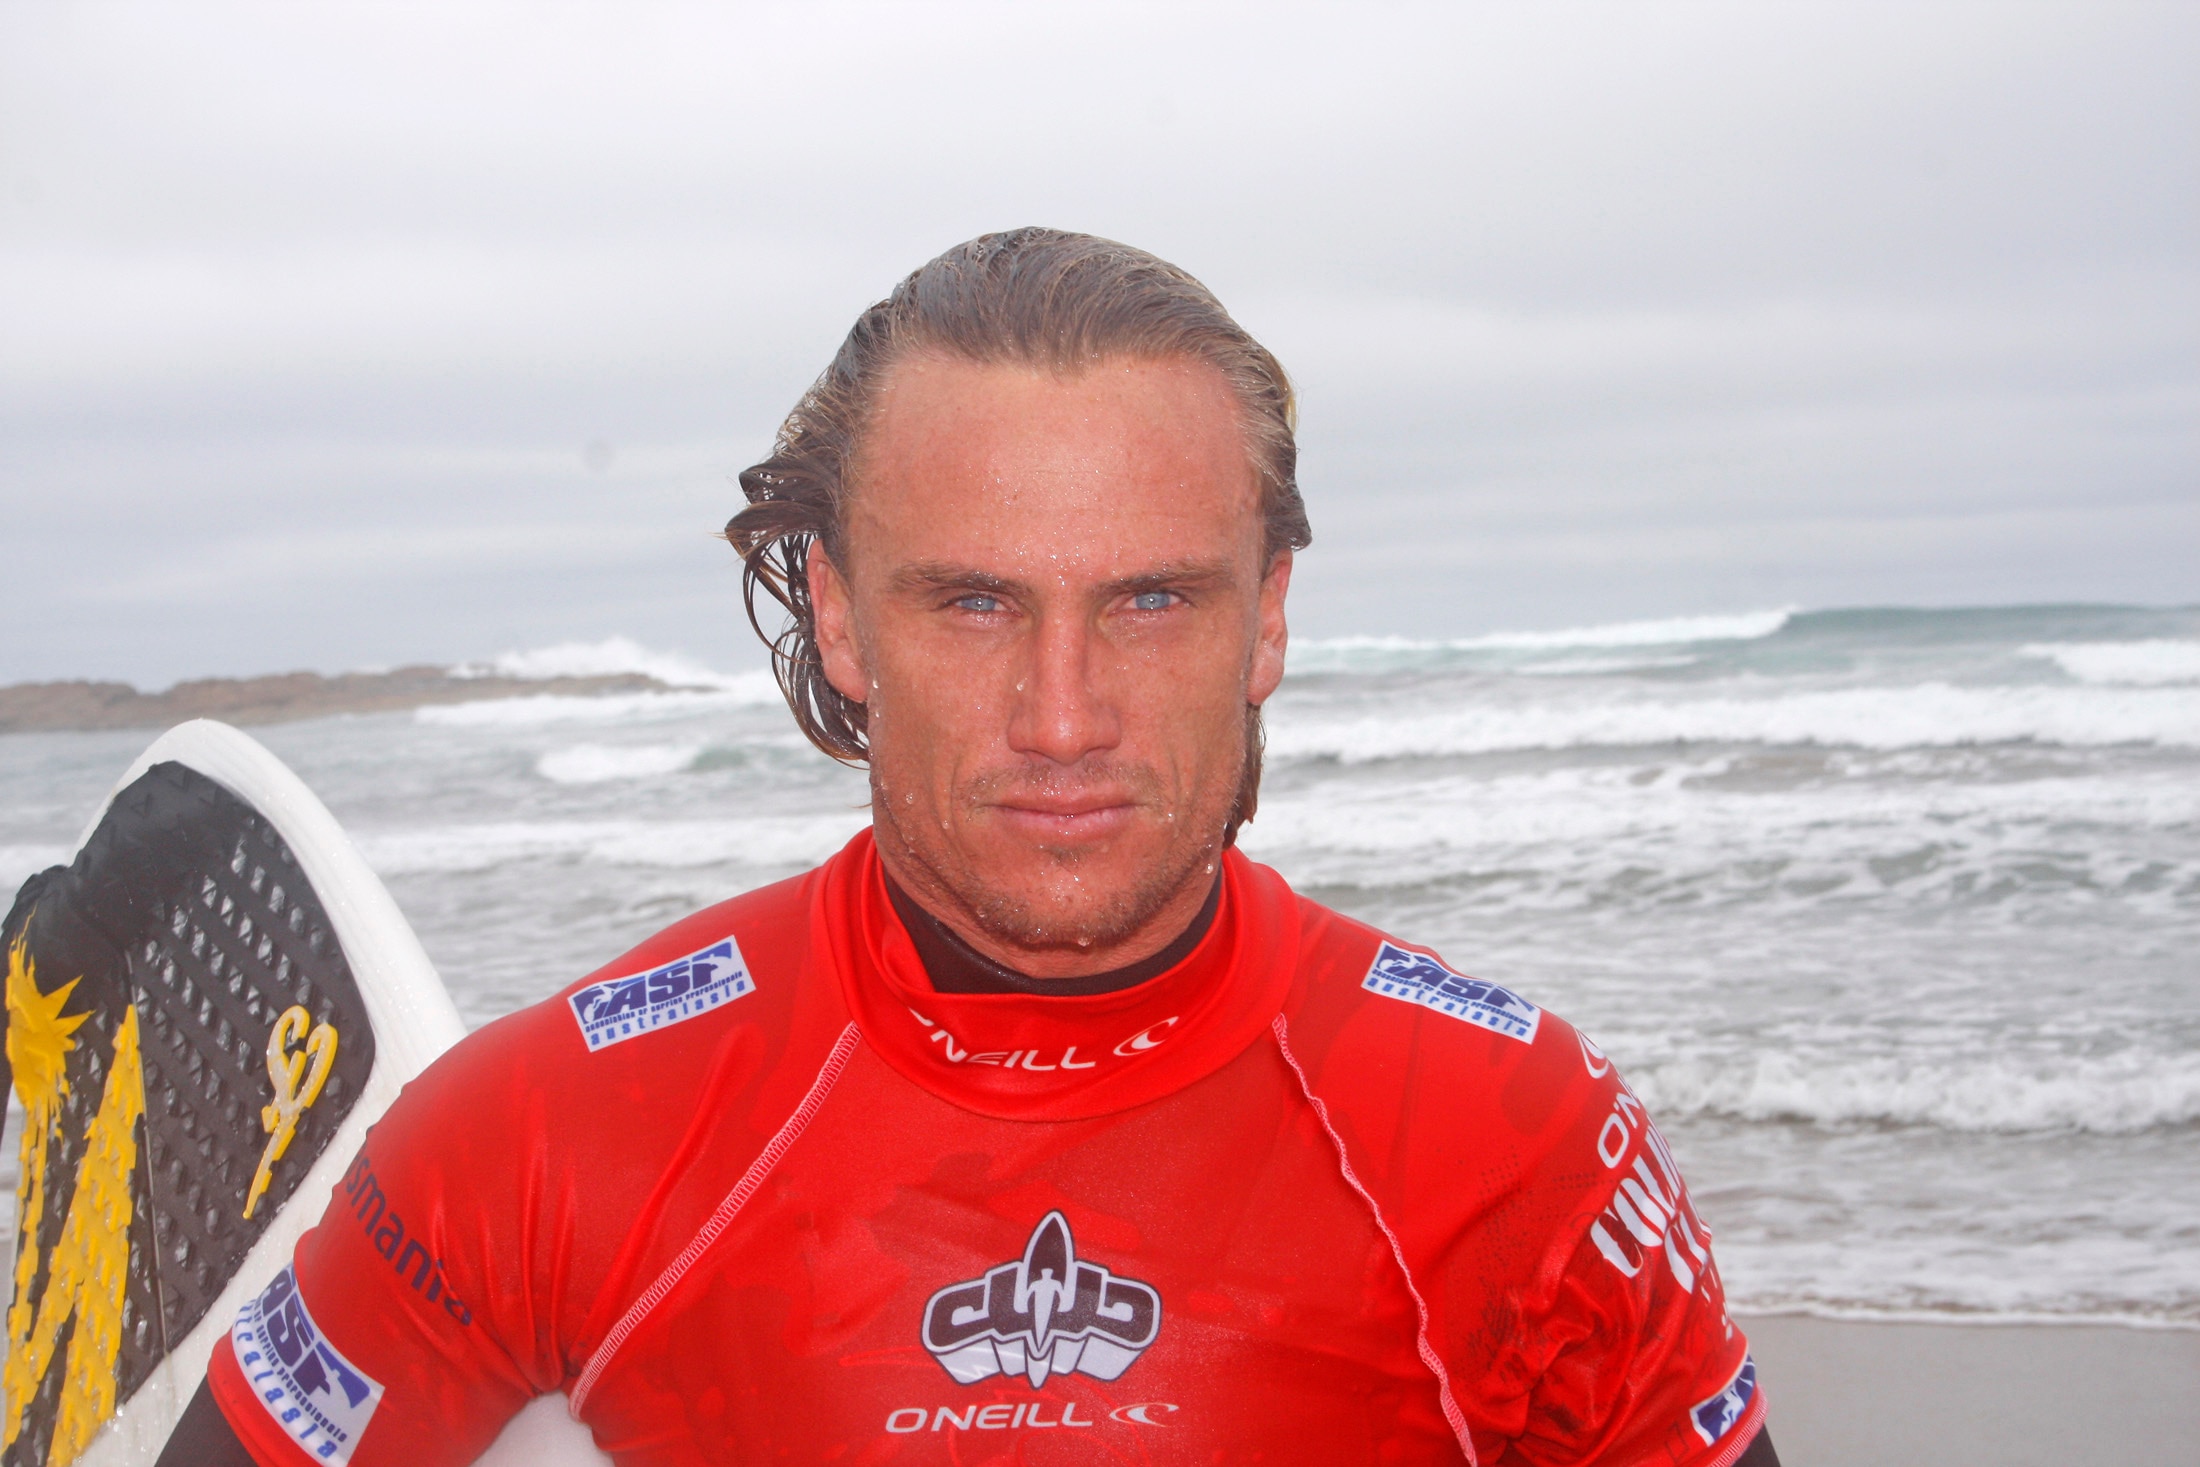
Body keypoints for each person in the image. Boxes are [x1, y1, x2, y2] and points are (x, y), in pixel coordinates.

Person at [169, 228, 1777, 1466]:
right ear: (843, 616)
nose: (1063, 716)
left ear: (1268, 616)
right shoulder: (554, 1129)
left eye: (1151, 599)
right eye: (975, 601)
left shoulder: (1514, 1135)